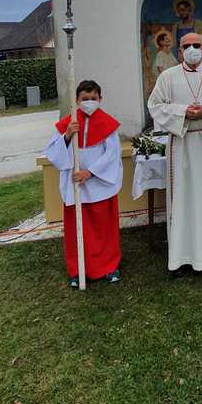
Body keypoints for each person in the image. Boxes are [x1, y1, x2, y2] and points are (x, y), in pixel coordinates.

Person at [148, 32, 202, 276]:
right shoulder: (168, 77)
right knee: (185, 197)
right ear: (179, 51)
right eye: (186, 46)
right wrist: (183, 112)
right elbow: (155, 105)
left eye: (196, 45)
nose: (191, 49)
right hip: (183, 144)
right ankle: (184, 253)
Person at [43, 80, 123, 288]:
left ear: (100, 99)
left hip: (99, 183)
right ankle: (77, 269)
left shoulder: (108, 123)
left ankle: (109, 266)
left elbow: (112, 154)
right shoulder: (68, 123)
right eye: (85, 98)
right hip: (75, 185)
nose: (89, 102)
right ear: (77, 100)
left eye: (93, 98)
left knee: (104, 229)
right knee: (77, 229)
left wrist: (90, 172)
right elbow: (52, 152)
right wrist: (68, 135)